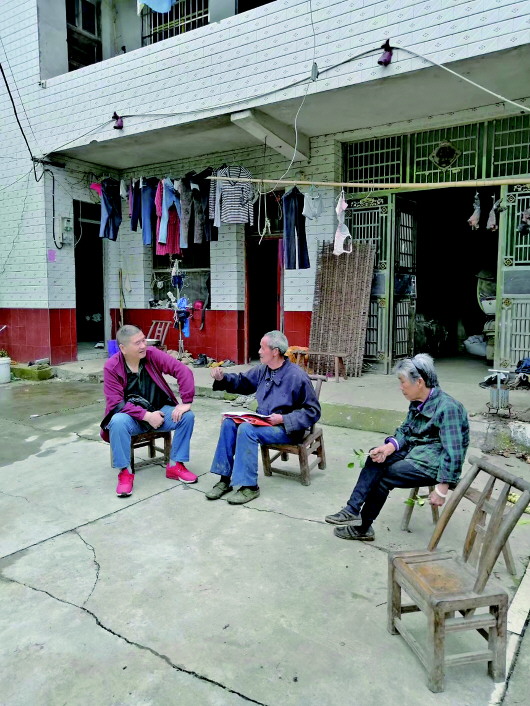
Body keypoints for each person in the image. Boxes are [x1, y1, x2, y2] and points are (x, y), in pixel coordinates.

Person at [325, 353, 469, 541]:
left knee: (386, 475)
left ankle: (362, 529)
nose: (401, 387)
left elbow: (453, 453)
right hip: (415, 450)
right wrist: (389, 448)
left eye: (403, 382)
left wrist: (442, 489)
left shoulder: (448, 408)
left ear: (419, 382)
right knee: (376, 458)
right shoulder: (418, 401)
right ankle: (352, 510)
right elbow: (406, 430)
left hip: (434, 463)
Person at [206, 330, 321, 505]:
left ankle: (250, 487)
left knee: (246, 429)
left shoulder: (297, 376)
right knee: (229, 423)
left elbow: (313, 411)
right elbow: (242, 382)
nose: (259, 351)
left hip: (286, 429)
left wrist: (283, 419)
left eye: (262, 348)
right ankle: (224, 479)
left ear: (275, 351)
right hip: (262, 422)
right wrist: (223, 378)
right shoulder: (262, 370)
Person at [101, 325, 196, 497]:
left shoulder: (152, 354)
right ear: (123, 348)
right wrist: (146, 416)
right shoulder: (112, 367)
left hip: (159, 412)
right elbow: (116, 404)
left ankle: (175, 465)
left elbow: (182, 370)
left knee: (187, 417)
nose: (143, 345)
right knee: (117, 421)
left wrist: (186, 401)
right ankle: (125, 472)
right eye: (137, 343)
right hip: (132, 419)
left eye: (144, 340)